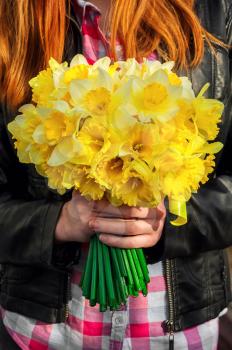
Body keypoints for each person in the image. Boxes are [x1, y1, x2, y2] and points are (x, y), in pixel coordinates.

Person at [0, 0, 231, 349]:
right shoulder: (13, 17)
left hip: (178, 335)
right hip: (42, 334)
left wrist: (170, 222)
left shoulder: (214, 8)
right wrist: (57, 223)